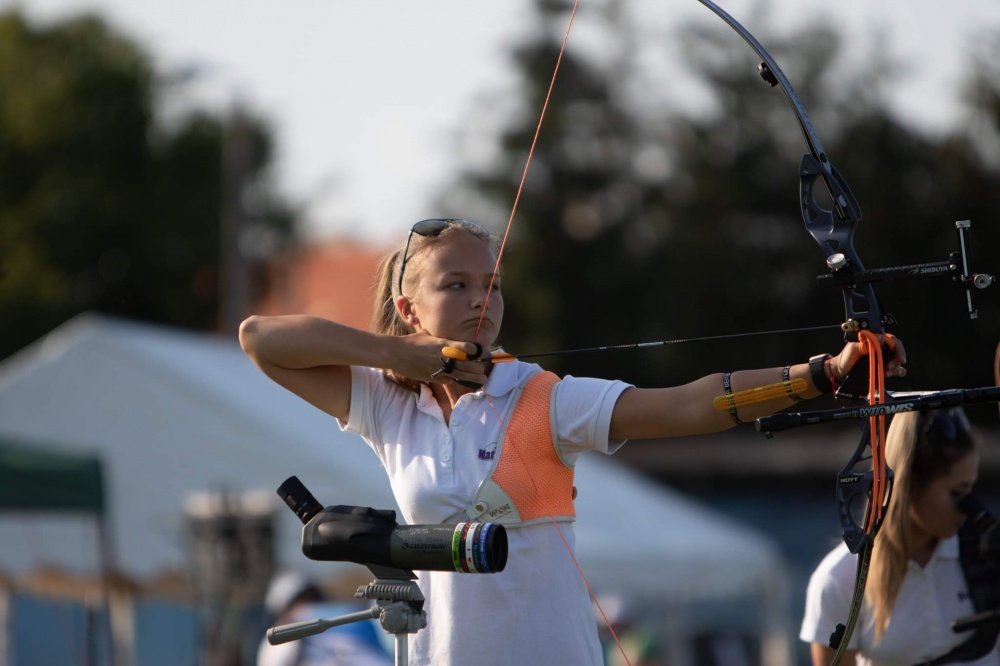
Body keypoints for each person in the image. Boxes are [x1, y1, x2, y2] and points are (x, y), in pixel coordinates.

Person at [240, 218, 907, 666]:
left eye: (492, 284)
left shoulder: (543, 397)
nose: (483, 300)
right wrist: (398, 355)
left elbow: (688, 405)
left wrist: (821, 375)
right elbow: (260, 340)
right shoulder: (389, 405)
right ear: (411, 307)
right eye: (458, 285)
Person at [800, 408, 1000, 666]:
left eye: (972, 489)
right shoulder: (840, 579)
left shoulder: (988, 554)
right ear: (909, 487)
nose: (971, 507)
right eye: (957, 492)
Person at [257, 571, 392, 666]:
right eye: (299, 603)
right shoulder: (277, 645)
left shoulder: (350, 625)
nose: (307, 608)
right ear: (281, 612)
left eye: (312, 600)